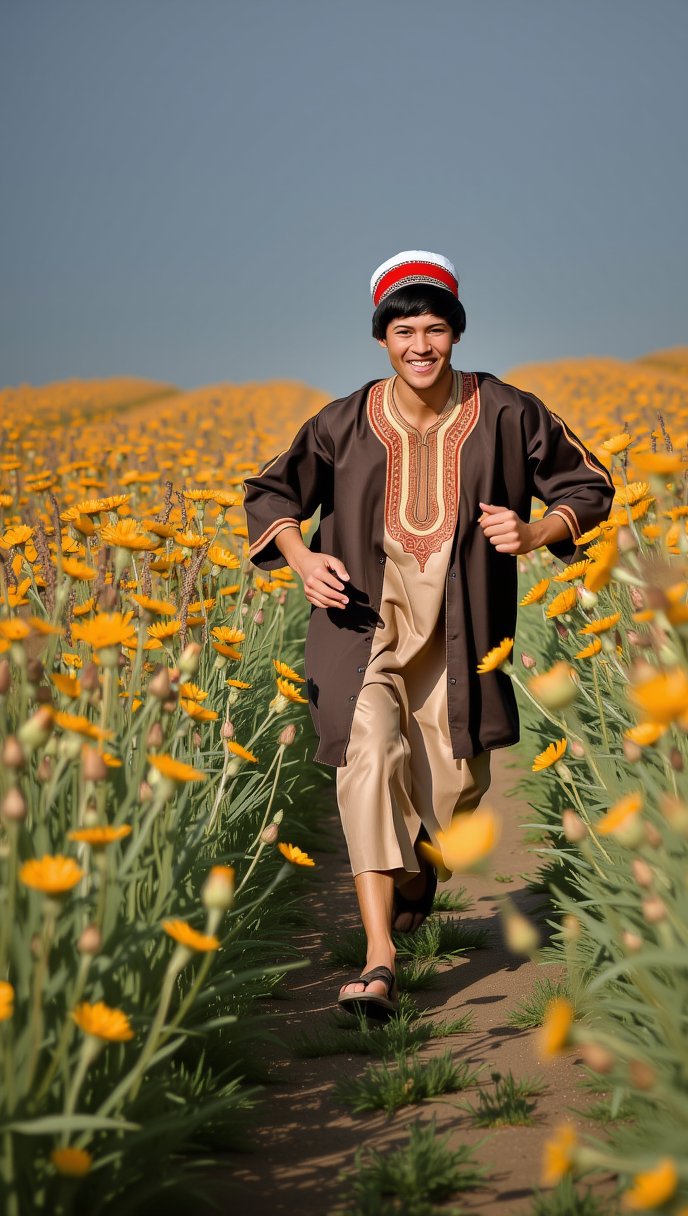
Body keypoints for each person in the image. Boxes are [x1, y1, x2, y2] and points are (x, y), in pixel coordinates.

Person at [242, 250, 614, 1019]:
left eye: (435, 329)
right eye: (404, 330)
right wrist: (302, 556)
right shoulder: (342, 421)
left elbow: (590, 483)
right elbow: (272, 488)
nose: (420, 345)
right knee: (368, 756)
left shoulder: (508, 411)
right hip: (361, 625)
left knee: (454, 797)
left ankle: (413, 875)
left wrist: (538, 528)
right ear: (382, 338)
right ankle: (378, 958)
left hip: (462, 631)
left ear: (456, 333)